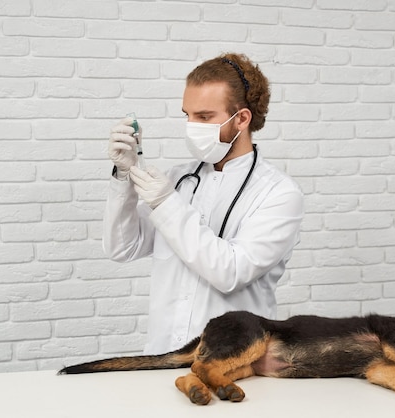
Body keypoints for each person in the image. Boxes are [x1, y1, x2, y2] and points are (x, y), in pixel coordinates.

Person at [103, 53, 304, 355]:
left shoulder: (279, 194)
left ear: (242, 118)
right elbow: (122, 248)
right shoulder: (178, 179)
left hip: (234, 363)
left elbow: (231, 272)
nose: (191, 125)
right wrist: (124, 177)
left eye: (204, 117)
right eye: (188, 115)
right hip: (164, 356)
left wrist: (167, 203)